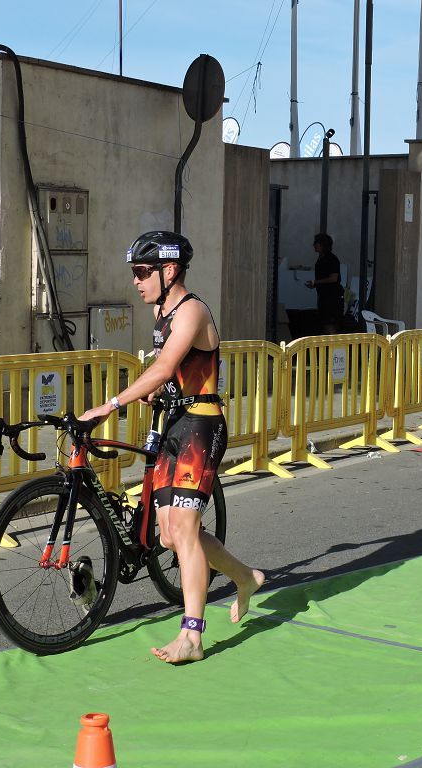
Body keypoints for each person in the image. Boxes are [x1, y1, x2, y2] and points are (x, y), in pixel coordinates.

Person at [80, 231, 264, 664]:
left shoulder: (191, 311)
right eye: (134, 273)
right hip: (175, 424)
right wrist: (157, 393)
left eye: (143, 272)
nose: (136, 281)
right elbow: (171, 374)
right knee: (171, 535)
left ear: (170, 270)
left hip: (202, 427)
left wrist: (111, 404)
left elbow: (164, 366)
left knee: (182, 532)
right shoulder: (163, 313)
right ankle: (245, 578)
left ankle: (193, 637)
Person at [304, 233, 344, 335]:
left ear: (322, 245)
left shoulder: (331, 259)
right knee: (325, 324)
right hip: (324, 298)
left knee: (330, 325)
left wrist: (316, 282)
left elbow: (334, 278)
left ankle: (335, 349)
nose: (314, 245)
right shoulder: (321, 258)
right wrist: (315, 284)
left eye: (316, 243)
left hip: (332, 299)